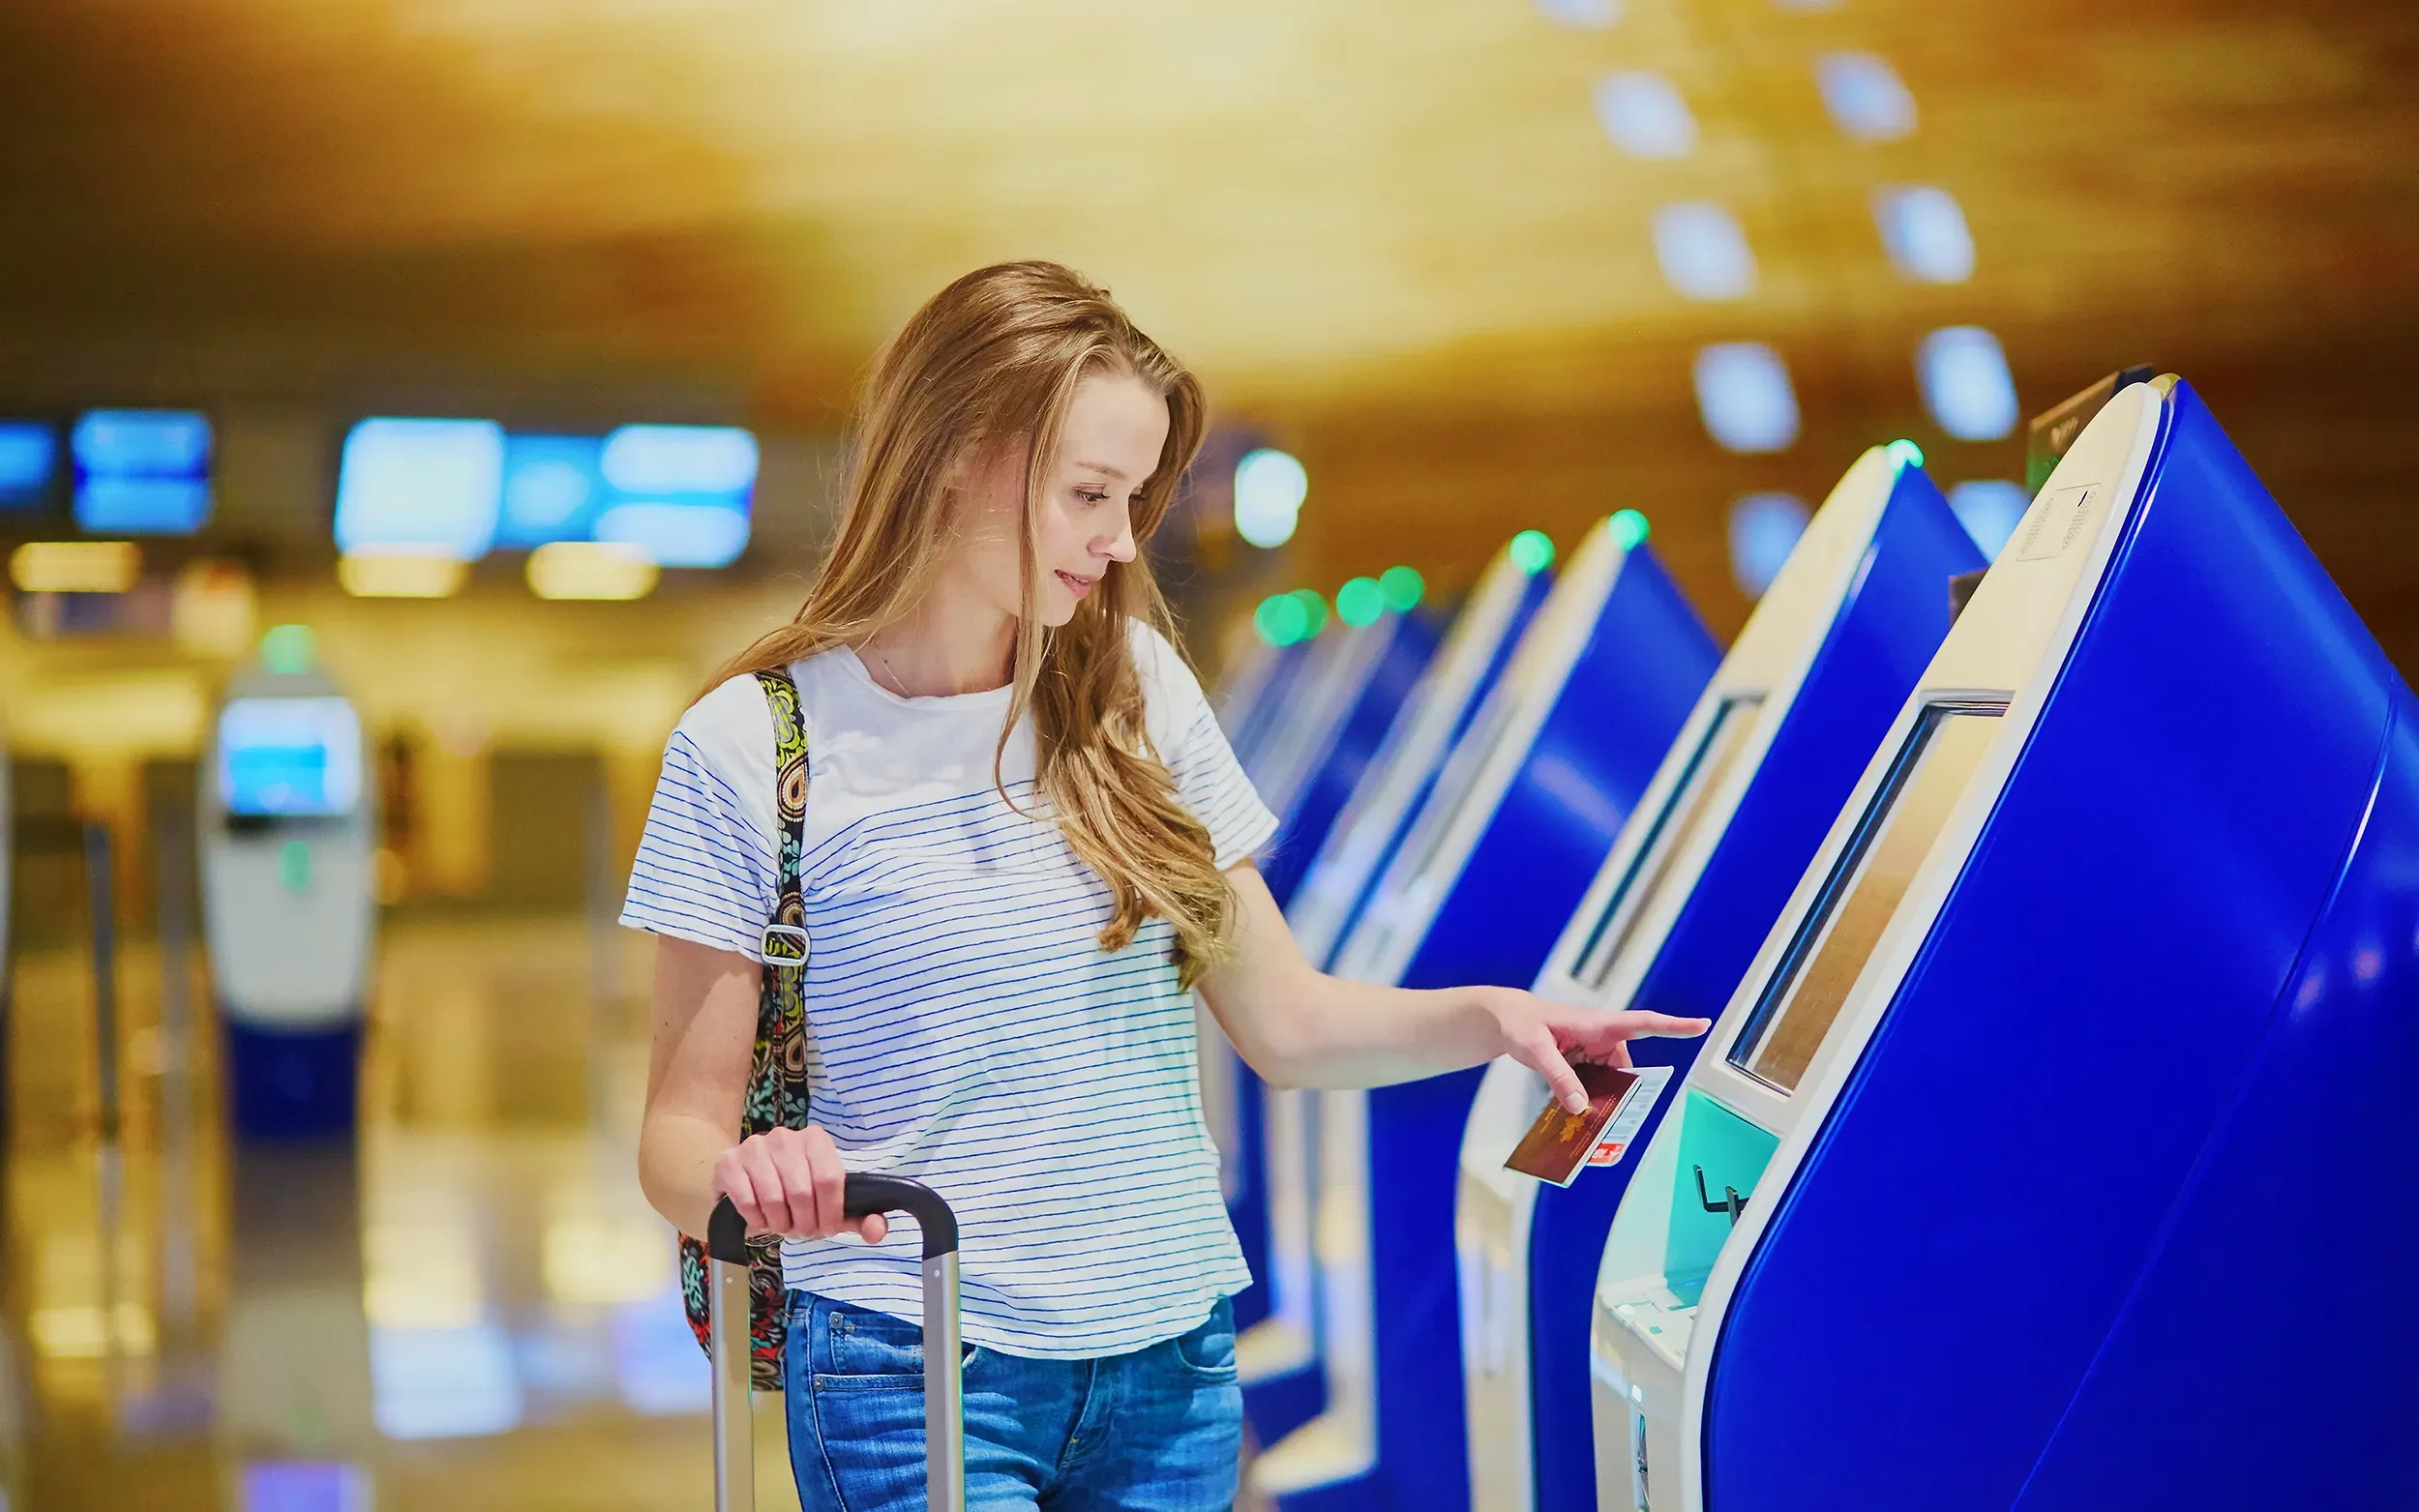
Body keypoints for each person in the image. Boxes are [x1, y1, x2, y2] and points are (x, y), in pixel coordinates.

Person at [626, 260, 1707, 1512]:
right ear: (955, 455)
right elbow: (674, 1140)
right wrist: (750, 1179)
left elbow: (1288, 1023)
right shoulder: (751, 743)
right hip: (906, 1356)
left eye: (1135, 496)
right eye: (1090, 493)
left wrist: (1495, 1019)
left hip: (1173, 1358)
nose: (1124, 539)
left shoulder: (1132, 688)